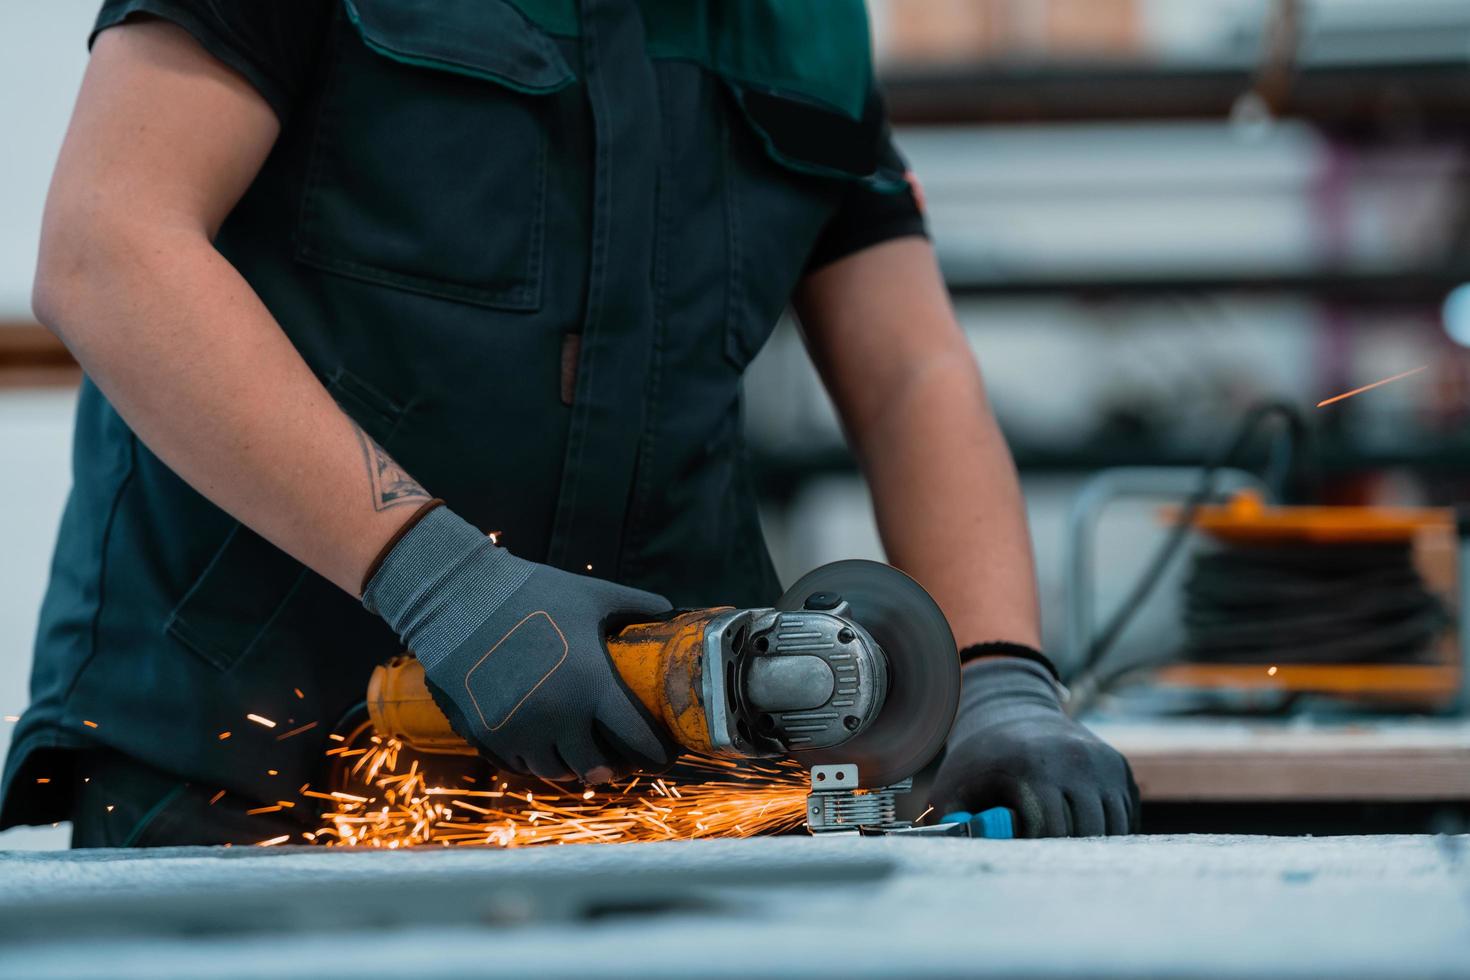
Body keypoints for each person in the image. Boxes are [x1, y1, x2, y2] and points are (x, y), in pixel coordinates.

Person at [2, 0, 1136, 846]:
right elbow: (111, 248)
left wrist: (997, 675)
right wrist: (442, 582)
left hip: (650, 784)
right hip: (250, 774)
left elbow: (911, 373)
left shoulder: (803, 22)